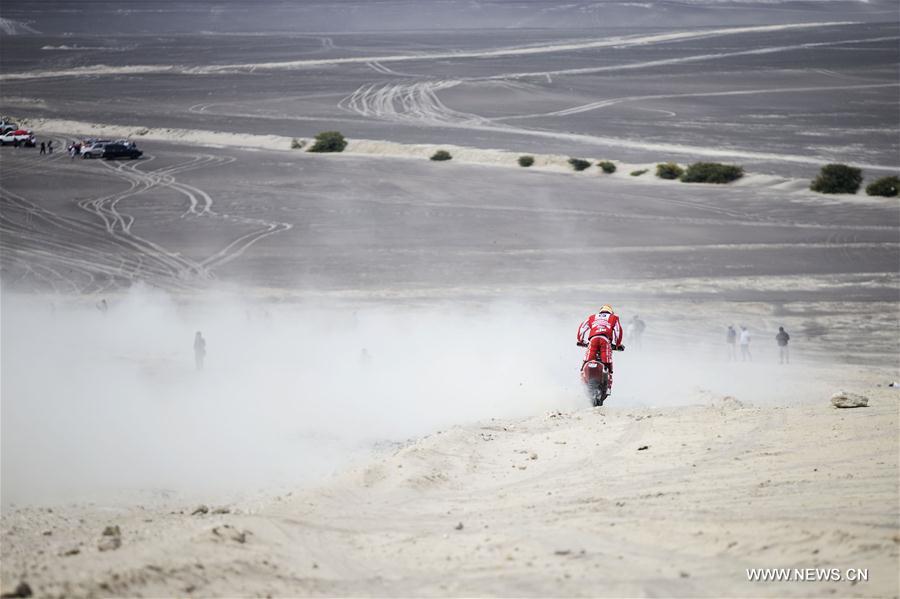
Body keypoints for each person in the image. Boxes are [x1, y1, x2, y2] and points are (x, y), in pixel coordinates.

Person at [577, 305, 624, 394]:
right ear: (611, 312)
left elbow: (582, 328)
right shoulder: (614, 318)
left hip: (593, 340)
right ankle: (608, 387)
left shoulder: (592, 317)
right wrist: (618, 344)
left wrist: (580, 340)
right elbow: (618, 331)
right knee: (607, 364)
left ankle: (582, 380)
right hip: (605, 341)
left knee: (586, 361)